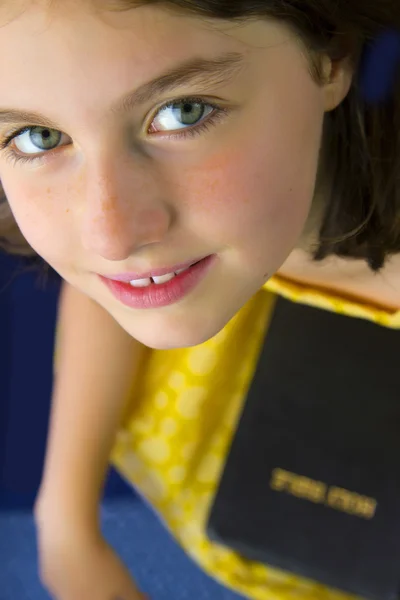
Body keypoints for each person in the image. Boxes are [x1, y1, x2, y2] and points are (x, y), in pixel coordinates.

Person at [0, 1, 400, 599]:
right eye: (39, 137)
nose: (111, 237)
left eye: (182, 112)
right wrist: (66, 522)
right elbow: (119, 291)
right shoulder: (184, 250)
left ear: (331, 60)